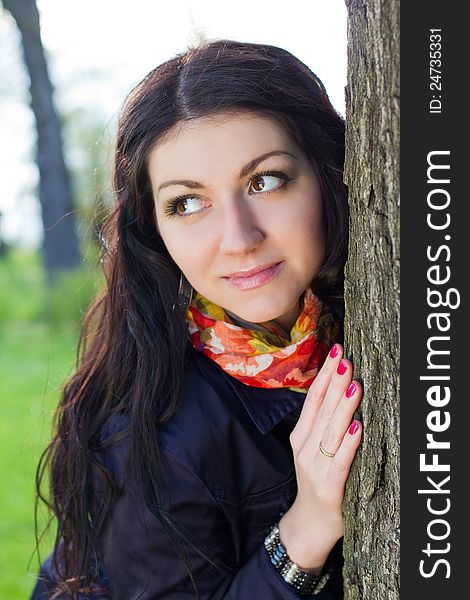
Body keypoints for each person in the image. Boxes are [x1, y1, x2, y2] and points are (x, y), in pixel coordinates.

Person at [31, 39, 363, 599]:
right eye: (187, 203)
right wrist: (305, 530)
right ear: (155, 231)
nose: (238, 238)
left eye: (266, 180)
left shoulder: (358, 319)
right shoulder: (152, 436)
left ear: (329, 172)